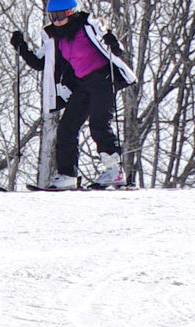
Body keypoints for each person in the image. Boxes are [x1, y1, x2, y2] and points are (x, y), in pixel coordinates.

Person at [9, 0, 139, 190]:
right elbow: (39, 63)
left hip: (103, 78)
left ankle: (114, 171)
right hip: (81, 85)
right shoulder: (54, 38)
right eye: (52, 17)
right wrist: (21, 47)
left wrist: (113, 42)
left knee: (99, 123)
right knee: (66, 128)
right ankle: (67, 175)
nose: (57, 21)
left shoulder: (88, 25)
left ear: (71, 13)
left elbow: (114, 47)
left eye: (60, 16)